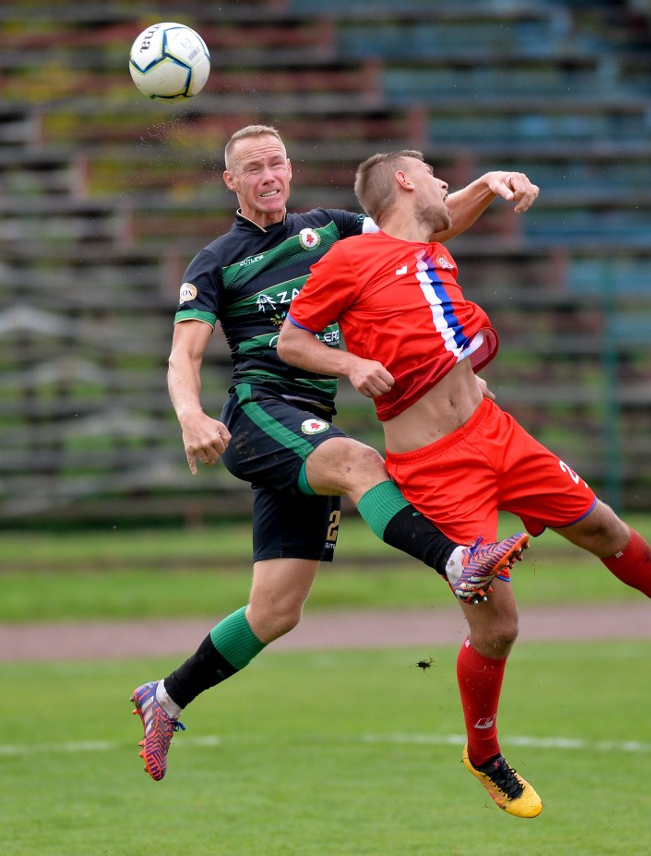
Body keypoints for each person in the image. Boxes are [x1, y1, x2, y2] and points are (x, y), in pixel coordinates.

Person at [278, 149, 651, 819]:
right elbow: (291, 340)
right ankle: (482, 752)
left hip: (495, 431)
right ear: (402, 179)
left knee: (603, 526)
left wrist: (487, 184)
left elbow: (442, 222)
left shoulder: (427, 245)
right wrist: (349, 361)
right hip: (435, 466)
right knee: (499, 629)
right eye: (431, 171)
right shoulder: (346, 260)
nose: (441, 181)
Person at [129, 127, 542, 782]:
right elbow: (184, 354)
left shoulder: (334, 229)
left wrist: (487, 187)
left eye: (276, 163)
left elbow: (427, 223)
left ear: (290, 170)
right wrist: (189, 414)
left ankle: (166, 695)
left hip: (307, 423)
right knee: (359, 463)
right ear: (230, 183)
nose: (268, 175)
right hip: (260, 415)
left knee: (275, 612)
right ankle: (457, 562)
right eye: (252, 168)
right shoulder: (216, 261)